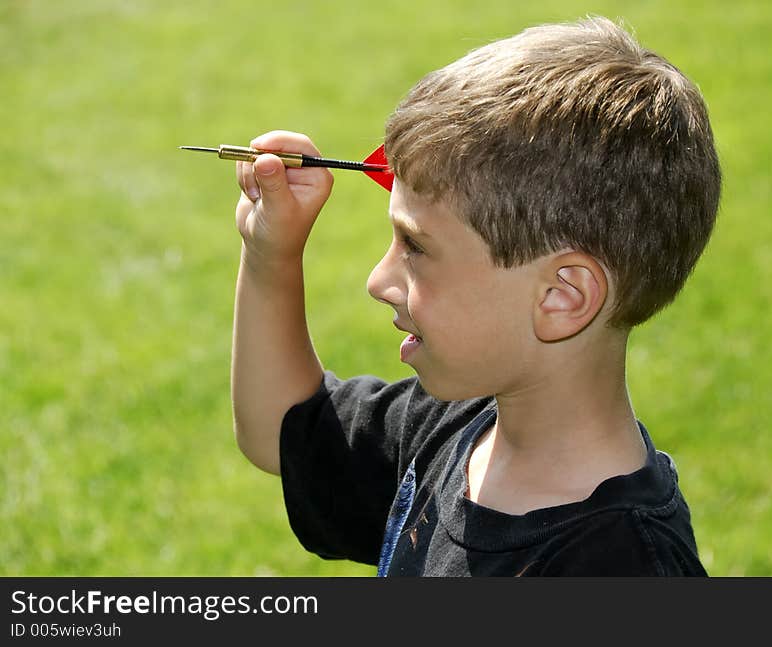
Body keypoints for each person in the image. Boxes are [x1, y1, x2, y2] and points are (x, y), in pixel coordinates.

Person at [230, 16, 721, 576]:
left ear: (562, 295)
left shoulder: (621, 567)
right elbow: (281, 433)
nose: (379, 281)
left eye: (414, 246)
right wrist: (270, 254)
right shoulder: (448, 428)